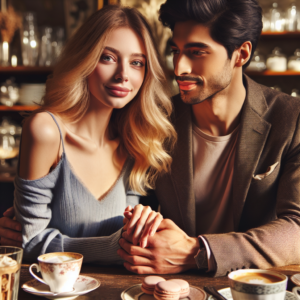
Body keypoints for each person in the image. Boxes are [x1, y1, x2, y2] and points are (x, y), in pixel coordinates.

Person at [117, 0, 300, 277]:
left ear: (241, 54)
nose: (179, 67)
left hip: (254, 286)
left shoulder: (291, 119)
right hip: (165, 284)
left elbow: (297, 228)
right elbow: (130, 206)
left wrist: (198, 252)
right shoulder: (157, 120)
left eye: (197, 52)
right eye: (176, 51)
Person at [1, 5, 176, 263]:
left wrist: (143, 227)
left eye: (137, 62)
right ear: (85, 58)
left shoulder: (133, 141)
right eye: (108, 57)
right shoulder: (46, 131)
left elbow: (126, 233)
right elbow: (29, 243)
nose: (123, 75)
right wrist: (115, 248)